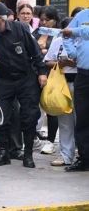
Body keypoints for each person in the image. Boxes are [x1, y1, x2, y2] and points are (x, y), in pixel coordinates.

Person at [0, 1, 47, 168]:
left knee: (29, 116)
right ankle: (4, 153)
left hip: (25, 78)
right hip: (3, 80)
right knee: (1, 117)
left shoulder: (19, 28)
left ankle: (28, 155)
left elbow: (35, 51)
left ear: (0, 18)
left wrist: (42, 72)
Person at [62, 0, 89, 172]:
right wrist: (74, 53)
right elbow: (65, 35)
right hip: (84, 74)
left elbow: (73, 32)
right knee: (83, 118)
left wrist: (76, 32)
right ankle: (85, 158)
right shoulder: (81, 16)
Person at [44, 17, 77, 166]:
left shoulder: (83, 41)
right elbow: (47, 61)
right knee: (65, 121)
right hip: (62, 83)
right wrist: (60, 63)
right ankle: (66, 155)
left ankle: (83, 154)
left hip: (81, 82)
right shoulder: (58, 42)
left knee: (82, 121)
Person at [33, 5, 61, 155]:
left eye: (47, 20)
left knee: (51, 108)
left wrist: (44, 51)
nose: (43, 22)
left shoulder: (59, 34)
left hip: (53, 75)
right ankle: (33, 137)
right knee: (33, 106)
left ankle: (51, 141)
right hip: (36, 73)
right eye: (41, 19)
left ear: (55, 20)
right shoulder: (36, 32)